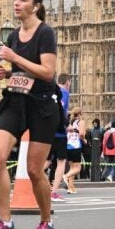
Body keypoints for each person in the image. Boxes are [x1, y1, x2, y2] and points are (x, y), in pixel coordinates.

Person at [0, 0, 60, 229]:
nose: (16, 2)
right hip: (15, 100)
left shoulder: (46, 33)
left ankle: (46, 222)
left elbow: (48, 72)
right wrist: (7, 73)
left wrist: (15, 57)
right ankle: (5, 222)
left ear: (35, 6)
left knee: (34, 169)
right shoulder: (14, 35)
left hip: (41, 104)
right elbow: (22, 71)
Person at [48, 73, 72, 201]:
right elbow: (61, 110)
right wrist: (67, 124)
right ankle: (53, 192)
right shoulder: (64, 92)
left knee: (46, 161)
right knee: (61, 162)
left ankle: (30, 185)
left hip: (48, 131)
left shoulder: (52, 91)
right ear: (68, 81)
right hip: (59, 132)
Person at [63, 107, 85, 193]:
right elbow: (82, 134)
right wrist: (85, 140)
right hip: (76, 146)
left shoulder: (70, 122)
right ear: (80, 114)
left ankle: (71, 188)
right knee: (77, 169)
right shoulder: (81, 122)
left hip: (68, 146)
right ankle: (65, 176)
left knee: (72, 168)